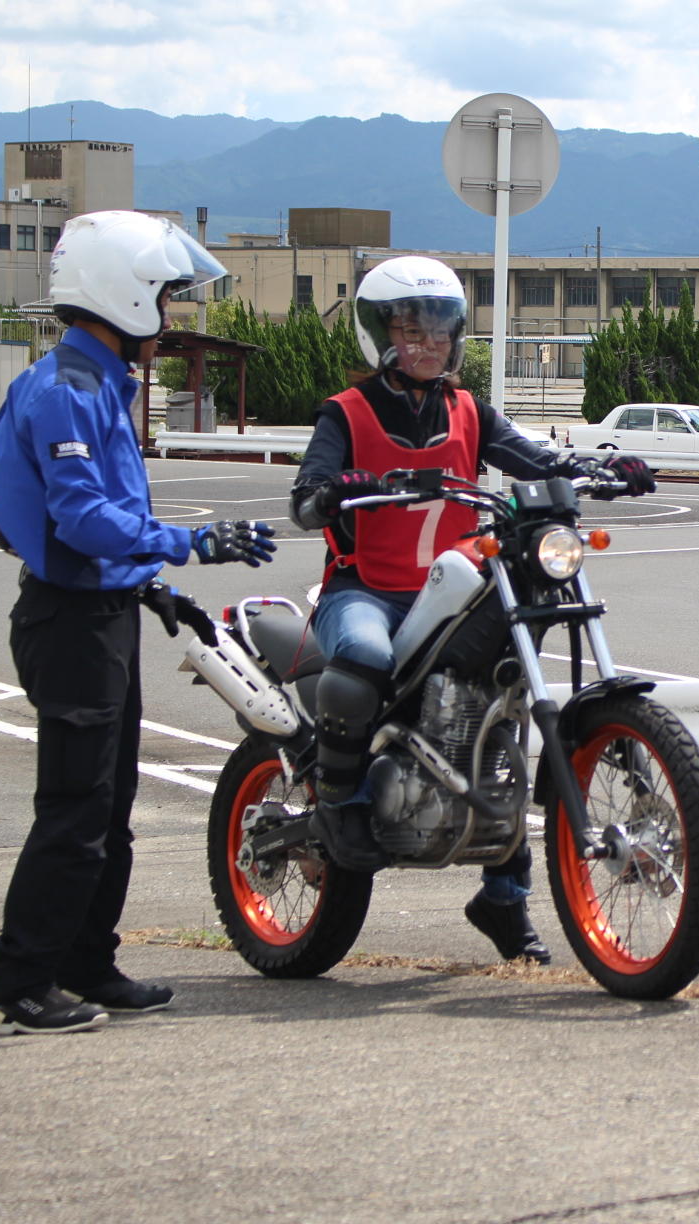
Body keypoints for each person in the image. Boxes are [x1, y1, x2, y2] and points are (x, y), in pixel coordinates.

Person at [289, 256, 653, 965]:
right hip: (362, 590)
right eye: (410, 328)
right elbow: (306, 496)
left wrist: (600, 468)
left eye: (440, 329)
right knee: (363, 655)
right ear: (381, 334)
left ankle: (504, 899)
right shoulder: (347, 412)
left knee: (500, 707)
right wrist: (334, 488)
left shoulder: (467, 411)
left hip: (448, 590)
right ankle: (339, 803)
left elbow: (533, 456)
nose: (428, 343)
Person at [0, 210, 276, 1035]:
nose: (172, 318)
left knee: (108, 805)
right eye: (165, 298)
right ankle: (21, 979)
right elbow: (80, 519)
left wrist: (153, 584)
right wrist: (186, 543)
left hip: (100, 613)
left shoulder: (97, 383)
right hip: (68, 620)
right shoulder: (68, 392)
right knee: (76, 805)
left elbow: (88, 521)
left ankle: (85, 961)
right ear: (125, 297)